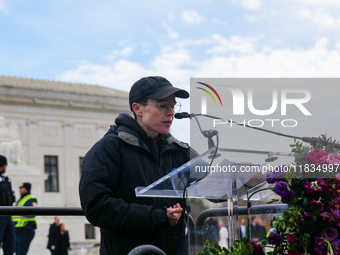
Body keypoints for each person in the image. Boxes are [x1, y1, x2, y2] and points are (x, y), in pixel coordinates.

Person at [79, 76, 198, 255]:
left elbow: (214, 182)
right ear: (138, 108)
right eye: (162, 105)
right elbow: (96, 206)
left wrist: (246, 176)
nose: (170, 112)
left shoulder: (179, 151)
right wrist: (158, 217)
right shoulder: (109, 149)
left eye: (173, 106)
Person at [12, 182, 38, 255]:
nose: (19, 189)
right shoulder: (20, 200)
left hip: (26, 230)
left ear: (26, 189)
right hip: (18, 231)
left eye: (21, 188)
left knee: (21, 253)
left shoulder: (31, 199)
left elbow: (34, 211)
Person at [0, 155, 15, 255]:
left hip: (7, 215)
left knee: (10, 243)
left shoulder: (4, 179)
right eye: (5, 165)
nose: (5, 167)